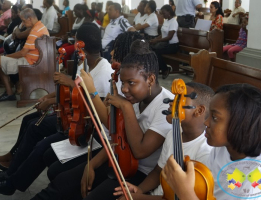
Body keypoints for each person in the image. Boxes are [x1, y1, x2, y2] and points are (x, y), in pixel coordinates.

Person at [0, 24, 114, 196]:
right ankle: (9, 173)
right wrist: (50, 99)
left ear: (81, 44)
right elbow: (75, 93)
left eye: (75, 41)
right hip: (74, 117)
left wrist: (64, 91)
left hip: (83, 128)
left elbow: (94, 108)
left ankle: (11, 182)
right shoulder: (85, 63)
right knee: (31, 122)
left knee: (40, 138)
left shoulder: (104, 72)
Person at [28, 39, 174, 200]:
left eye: (130, 83)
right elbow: (120, 141)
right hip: (120, 161)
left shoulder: (166, 106)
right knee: (63, 182)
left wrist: (125, 107)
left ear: (151, 80)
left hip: (140, 174)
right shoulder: (136, 96)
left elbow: (140, 151)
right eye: (123, 83)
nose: (124, 89)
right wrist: (92, 165)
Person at [162, 84, 261, 200]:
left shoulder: (257, 174)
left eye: (215, 118)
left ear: (240, 124)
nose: (206, 123)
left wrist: (184, 191)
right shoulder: (222, 149)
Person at [113, 82, 214, 200]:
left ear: (199, 110)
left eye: (179, 99)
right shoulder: (173, 134)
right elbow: (158, 171)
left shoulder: (206, 152)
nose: (172, 102)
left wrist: (138, 198)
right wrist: (139, 190)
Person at [0, 8, 49, 101]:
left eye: (23, 21)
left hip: (30, 62)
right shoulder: (40, 27)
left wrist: (6, 57)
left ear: (30, 19)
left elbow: (23, 52)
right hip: (33, 60)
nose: (23, 23)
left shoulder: (35, 31)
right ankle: (9, 93)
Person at [150, 5, 179, 79]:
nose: (162, 15)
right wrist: (155, 39)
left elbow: (169, 37)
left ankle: (165, 69)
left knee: (157, 52)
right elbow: (163, 34)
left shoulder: (173, 22)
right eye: (161, 13)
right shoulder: (166, 21)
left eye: (163, 13)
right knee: (151, 49)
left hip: (173, 46)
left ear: (169, 12)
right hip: (165, 44)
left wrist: (157, 40)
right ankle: (158, 68)